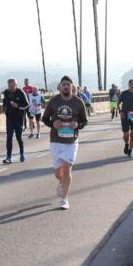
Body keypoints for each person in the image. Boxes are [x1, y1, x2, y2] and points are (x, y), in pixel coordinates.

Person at [41, 76, 88, 210]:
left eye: (68, 84)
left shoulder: (78, 102)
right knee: (58, 172)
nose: (66, 86)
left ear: (72, 87)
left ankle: (64, 199)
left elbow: (85, 121)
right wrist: (52, 124)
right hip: (56, 140)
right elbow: (44, 118)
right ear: (60, 86)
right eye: (64, 84)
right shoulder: (54, 101)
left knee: (67, 170)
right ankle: (62, 182)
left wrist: (77, 125)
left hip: (71, 141)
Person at [2, 78, 28, 164]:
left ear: (16, 85)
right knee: (9, 137)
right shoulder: (6, 92)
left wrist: (18, 106)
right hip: (9, 118)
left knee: (18, 137)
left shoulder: (20, 92)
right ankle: (8, 157)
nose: (11, 88)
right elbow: (5, 101)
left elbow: (27, 105)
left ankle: (21, 153)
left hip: (19, 118)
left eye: (12, 86)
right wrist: (4, 107)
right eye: (9, 86)